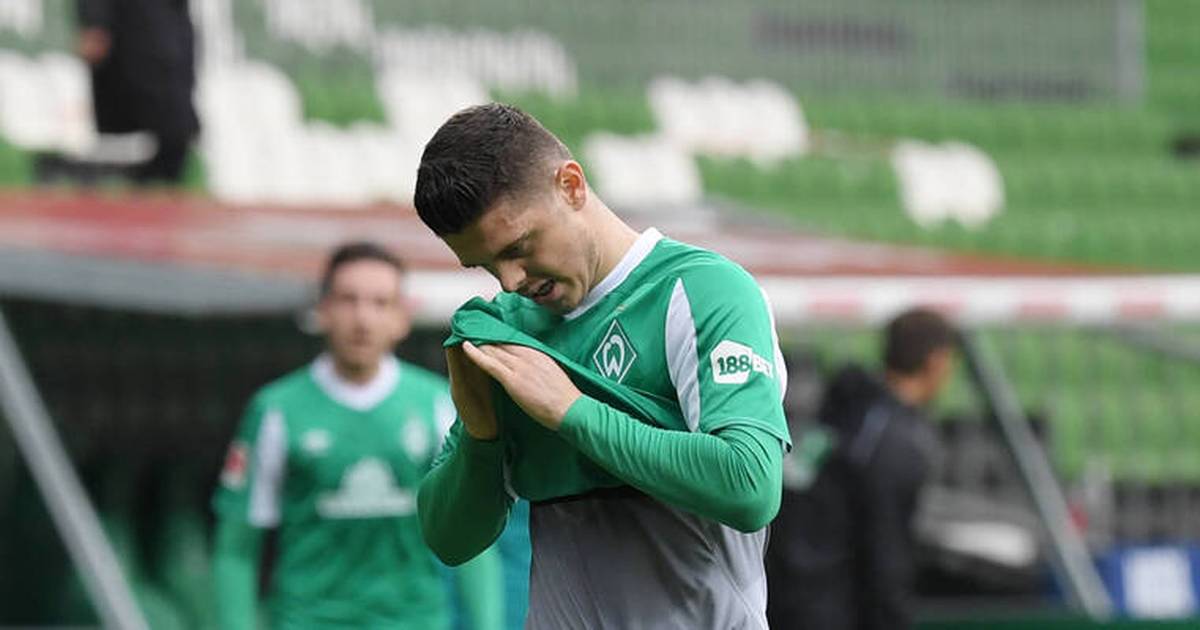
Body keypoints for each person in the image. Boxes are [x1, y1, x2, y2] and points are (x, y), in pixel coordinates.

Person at [413, 103, 790, 628]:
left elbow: (749, 485)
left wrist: (571, 412)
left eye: (519, 247)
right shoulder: (510, 331)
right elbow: (449, 540)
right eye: (485, 265)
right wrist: (480, 439)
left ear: (570, 185)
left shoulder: (701, 292)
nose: (509, 280)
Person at [210, 242, 503, 630]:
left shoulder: (438, 404)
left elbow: (472, 540)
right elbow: (236, 548)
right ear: (322, 309)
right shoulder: (277, 410)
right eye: (348, 300)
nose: (363, 318)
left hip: (414, 621)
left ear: (402, 317)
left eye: (380, 303)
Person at [766, 308, 957, 630]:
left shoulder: (840, 411)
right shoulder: (894, 443)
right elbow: (885, 555)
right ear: (936, 362)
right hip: (833, 610)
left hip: (784, 595)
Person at [75, 0, 199, 184]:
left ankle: (156, 182)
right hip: (132, 29)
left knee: (174, 131)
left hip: (168, 28)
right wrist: (95, 20)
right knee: (143, 125)